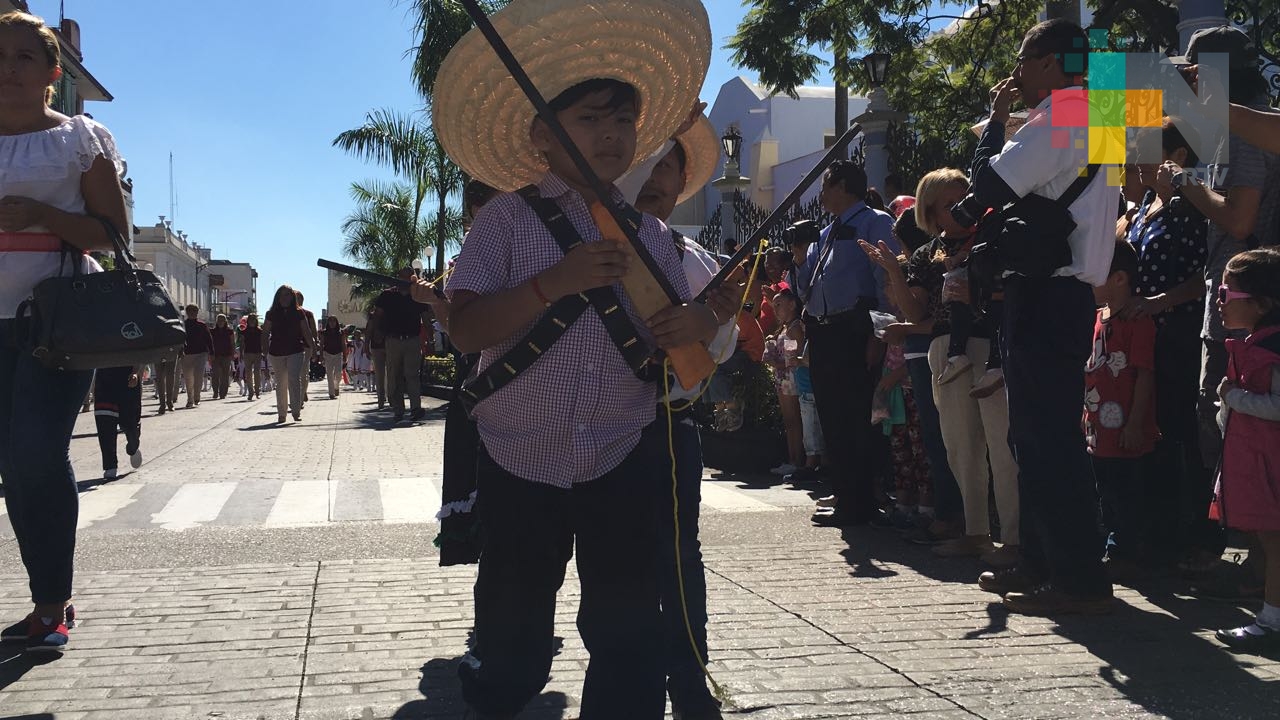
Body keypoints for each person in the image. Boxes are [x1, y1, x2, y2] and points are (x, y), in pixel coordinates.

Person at [431, 0, 713, 711]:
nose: (613, 135)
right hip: (519, 459)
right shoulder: (504, 220)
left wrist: (690, 324)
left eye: (623, 121)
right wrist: (554, 283)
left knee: (624, 636)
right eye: (590, 119)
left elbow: (675, 340)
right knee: (513, 636)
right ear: (542, 136)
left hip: (623, 455)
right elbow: (466, 331)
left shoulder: (653, 235)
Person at [964, 19, 1119, 614]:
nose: (1018, 75)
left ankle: (1076, 577)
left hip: (1048, 293)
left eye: (1025, 62)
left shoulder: (1062, 117)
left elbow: (987, 184)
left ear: (1051, 62)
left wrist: (996, 124)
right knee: (1033, 435)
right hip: (1066, 291)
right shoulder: (1102, 117)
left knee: (1048, 439)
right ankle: (1040, 562)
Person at [0, 9, 130, 652]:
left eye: (24, 56)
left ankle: (53, 603)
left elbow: (114, 235)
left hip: (57, 320)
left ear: (53, 72)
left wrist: (41, 215)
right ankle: (42, 598)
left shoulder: (79, 139)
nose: (8, 67)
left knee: (34, 450)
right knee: (11, 462)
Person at [1158, 26, 1280, 573]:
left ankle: (1253, 562)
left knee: (1230, 417)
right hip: (1241, 293)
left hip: (1245, 298)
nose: (1184, 86)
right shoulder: (1241, 125)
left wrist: (1185, 182)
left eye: (1191, 74)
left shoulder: (1245, 133)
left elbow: (1239, 218)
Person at [630, 113, 738, 719]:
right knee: (614, 553)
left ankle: (689, 668)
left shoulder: (692, 259)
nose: (651, 176)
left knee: (678, 551)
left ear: (681, 180)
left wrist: (706, 319)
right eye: (641, 163)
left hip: (668, 426)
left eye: (665, 164)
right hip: (599, 426)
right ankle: (630, 665)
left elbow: (718, 345)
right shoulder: (590, 249)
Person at [864, 169, 1020, 566]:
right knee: (959, 447)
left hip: (989, 345)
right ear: (931, 213)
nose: (963, 209)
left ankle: (1015, 540)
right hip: (943, 351)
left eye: (966, 199)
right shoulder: (925, 254)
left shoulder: (993, 238)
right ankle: (974, 532)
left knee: (1001, 446)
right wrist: (894, 274)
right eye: (950, 205)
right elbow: (915, 312)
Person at [1124, 118, 1211, 570]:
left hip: (1177, 334)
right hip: (1140, 338)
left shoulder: (1191, 208)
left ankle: (1192, 536)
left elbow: (1207, 274)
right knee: (1147, 432)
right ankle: (1152, 532)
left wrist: (1162, 302)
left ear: (1175, 157)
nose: (1134, 158)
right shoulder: (1141, 210)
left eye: (1143, 148)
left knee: (1179, 433)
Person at [793, 160, 898, 527]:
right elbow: (805, 286)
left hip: (854, 330)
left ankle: (862, 502)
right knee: (832, 417)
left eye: (825, 186)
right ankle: (845, 496)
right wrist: (800, 255)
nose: (821, 195)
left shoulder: (874, 222)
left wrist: (879, 336)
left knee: (856, 418)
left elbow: (885, 282)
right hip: (824, 332)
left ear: (842, 187)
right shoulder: (825, 233)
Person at [1212, 248, 1280, 652]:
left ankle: (1271, 621)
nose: (1219, 303)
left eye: (1228, 295)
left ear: (1263, 304)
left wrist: (1234, 397)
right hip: (1257, 461)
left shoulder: (1271, 351)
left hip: (1270, 464)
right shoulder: (1251, 345)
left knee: (1274, 542)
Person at [1087, 241, 1159, 573]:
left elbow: (1144, 373)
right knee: (1105, 490)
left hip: (1125, 425)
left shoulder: (1138, 322)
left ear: (1119, 278)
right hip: (1097, 425)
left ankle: (1127, 549)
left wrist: (1134, 423)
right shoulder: (1097, 317)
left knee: (1126, 490)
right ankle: (1112, 542)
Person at [374, 270, 429, 422]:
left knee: (412, 375)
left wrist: (430, 339)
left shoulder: (417, 296)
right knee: (394, 375)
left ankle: (415, 408)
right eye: (402, 277)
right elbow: (377, 315)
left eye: (408, 277)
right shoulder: (387, 295)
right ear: (397, 278)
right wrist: (376, 333)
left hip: (412, 339)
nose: (405, 280)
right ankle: (398, 409)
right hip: (393, 340)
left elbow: (425, 317)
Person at [263, 285, 313, 423]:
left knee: (294, 380)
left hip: (296, 350)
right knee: (281, 383)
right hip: (276, 352)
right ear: (277, 297)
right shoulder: (271, 314)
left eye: (288, 295)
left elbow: (306, 331)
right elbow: (265, 332)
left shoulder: (299, 313)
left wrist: (313, 347)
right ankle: (282, 413)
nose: (285, 298)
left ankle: (296, 410)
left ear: (292, 298)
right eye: (282, 295)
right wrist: (265, 349)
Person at [92, 365, 143, 481]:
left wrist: (136, 372)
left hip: (128, 377)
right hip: (104, 378)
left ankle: (133, 447)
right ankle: (110, 466)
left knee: (130, 424)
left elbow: (140, 350)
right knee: (104, 422)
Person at [181, 305, 212, 408]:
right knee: (188, 378)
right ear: (187, 312)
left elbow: (209, 339)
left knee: (198, 376)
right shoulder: (183, 325)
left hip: (201, 354)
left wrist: (212, 353)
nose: (193, 312)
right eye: (190, 311)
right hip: (187, 354)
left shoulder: (202, 325)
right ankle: (190, 398)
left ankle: (196, 397)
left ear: (197, 312)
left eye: (195, 310)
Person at [294, 291, 318, 406]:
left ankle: (300, 397)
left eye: (297, 298)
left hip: (306, 346)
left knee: (303, 372)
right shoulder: (287, 313)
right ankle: (300, 393)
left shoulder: (308, 314)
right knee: (293, 374)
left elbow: (313, 331)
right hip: (291, 347)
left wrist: (314, 346)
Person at [364, 311, 388, 409]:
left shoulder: (374, 316)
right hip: (380, 347)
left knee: (382, 375)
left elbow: (368, 333)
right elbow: (368, 332)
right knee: (384, 374)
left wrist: (366, 347)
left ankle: (384, 399)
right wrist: (366, 347)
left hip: (387, 346)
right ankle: (383, 399)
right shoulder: (373, 316)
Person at [239, 313, 265, 400]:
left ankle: (257, 391)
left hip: (257, 353)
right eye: (250, 319)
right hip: (247, 353)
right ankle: (251, 392)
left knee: (257, 373)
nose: (252, 321)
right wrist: (241, 354)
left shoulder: (260, 331)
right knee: (248, 374)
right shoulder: (244, 332)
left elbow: (262, 343)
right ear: (248, 321)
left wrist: (264, 352)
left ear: (256, 321)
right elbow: (242, 343)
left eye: (254, 319)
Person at [209, 314, 235, 400]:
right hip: (215, 355)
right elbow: (209, 344)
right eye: (219, 320)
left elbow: (232, 343)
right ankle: (215, 391)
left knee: (225, 374)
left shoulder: (229, 331)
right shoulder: (212, 331)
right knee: (215, 374)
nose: (220, 322)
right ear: (216, 321)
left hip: (226, 355)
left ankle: (223, 393)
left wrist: (232, 353)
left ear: (225, 321)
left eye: (222, 320)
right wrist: (209, 354)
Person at [319, 315, 345, 399]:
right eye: (330, 321)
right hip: (328, 354)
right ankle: (331, 393)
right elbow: (321, 345)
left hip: (338, 354)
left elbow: (343, 344)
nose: (332, 323)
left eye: (334, 321)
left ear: (336, 322)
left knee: (338, 374)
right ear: (328, 322)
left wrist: (345, 355)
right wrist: (321, 356)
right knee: (329, 374)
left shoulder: (341, 332)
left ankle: (336, 386)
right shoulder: (324, 332)